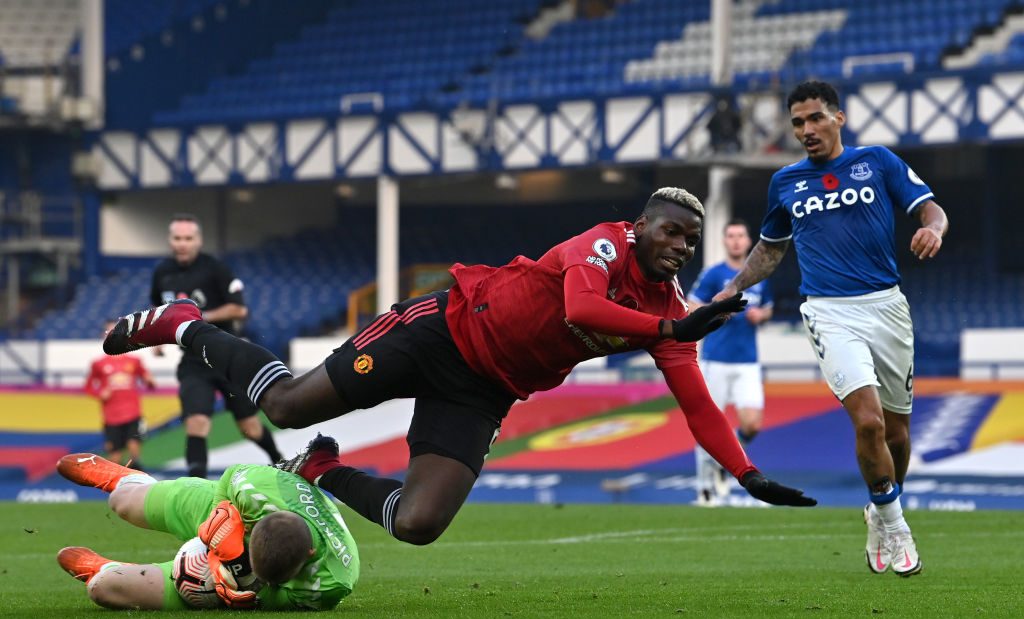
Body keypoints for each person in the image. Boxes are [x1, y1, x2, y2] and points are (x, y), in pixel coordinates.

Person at [105, 188, 816, 548]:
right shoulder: (603, 245)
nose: (680, 248)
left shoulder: (669, 308)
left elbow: (696, 404)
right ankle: (185, 326)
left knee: (418, 524)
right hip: (439, 331)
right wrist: (672, 324)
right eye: (672, 232)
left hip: (484, 390)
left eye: (691, 242)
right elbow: (582, 304)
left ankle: (318, 470)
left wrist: (746, 473)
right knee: (287, 404)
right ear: (641, 226)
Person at [712, 81, 949, 577]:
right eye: (797, 123)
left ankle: (879, 509)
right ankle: (896, 523)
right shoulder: (786, 182)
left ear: (838, 118)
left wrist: (933, 229)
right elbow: (771, 248)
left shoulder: (877, 161)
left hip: (886, 306)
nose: (806, 130)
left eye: (815, 118)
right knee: (868, 423)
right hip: (828, 311)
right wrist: (733, 285)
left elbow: (930, 208)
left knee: (899, 436)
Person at [54, 447, 358, 610]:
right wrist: (221, 519)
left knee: (103, 590)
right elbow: (228, 481)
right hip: (229, 512)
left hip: (242, 570)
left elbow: (275, 600)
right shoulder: (259, 491)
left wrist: (248, 591)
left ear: (311, 553)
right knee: (122, 503)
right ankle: (124, 479)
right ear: (260, 521)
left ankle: (108, 568)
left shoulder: (331, 583)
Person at [151, 214, 283, 478]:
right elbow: (159, 309)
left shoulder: (215, 268)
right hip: (193, 362)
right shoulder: (162, 273)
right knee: (196, 422)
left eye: (188, 238)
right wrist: (156, 338)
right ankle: (196, 486)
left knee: (250, 427)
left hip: (227, 358)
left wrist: (198, 318)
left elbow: (239, 308)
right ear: (170, 241)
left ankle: (281, 462)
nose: (182, 244)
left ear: (198, 241)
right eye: (178, 238)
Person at [688, 220, 773, 506]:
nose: (736, 241)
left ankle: (723, 462)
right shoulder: (714, 274)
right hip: (716, 360)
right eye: (731, 236)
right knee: (709, 423)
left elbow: (768, 306)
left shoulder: (759, 275)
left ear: (749, 241)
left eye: (740, 236)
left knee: (752, 424)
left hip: (748, 361)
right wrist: (718, 310)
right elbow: (691, 305)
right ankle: (704, 490)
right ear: (725, 242)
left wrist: (761, 315)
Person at [84, 320, 157, 467]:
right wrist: (100, 394)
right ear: (104, 336)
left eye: (115, 332)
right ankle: (119, 484)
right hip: (111, 417)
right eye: (109, 332)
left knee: (133, 449)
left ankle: (137, 477)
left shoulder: (135, 361)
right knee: (115, 458)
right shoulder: (98, 364)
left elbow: (149, 383)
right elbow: (88, 387)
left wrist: (150, 381)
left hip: (133, 413)